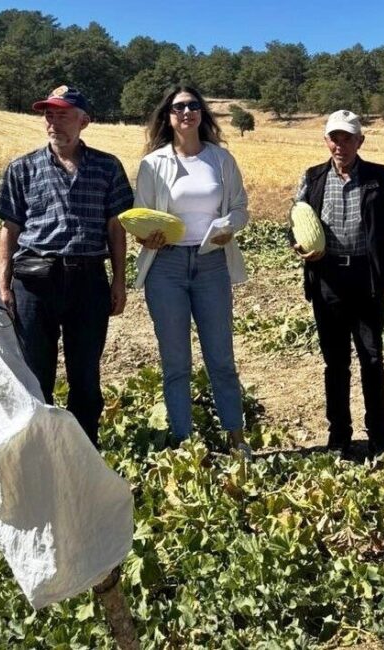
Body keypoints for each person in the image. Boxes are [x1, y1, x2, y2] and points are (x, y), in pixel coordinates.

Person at [0, 85, 133, 447]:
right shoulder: (21, 168)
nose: (54, 122)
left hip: (88, 282)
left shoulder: (107, 166)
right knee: (36, 375)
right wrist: (4, 285)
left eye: (63, 115)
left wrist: (119, 280)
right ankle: (41, 449)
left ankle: (84, 449)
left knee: (85, 375)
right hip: (34, 283)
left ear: (84, 121)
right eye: (48, 115)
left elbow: (116, 227)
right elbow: (9, 229)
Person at [133, 86, 249, 451]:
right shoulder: (153, 164)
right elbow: (140, 218)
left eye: (194, 105)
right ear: (167, 116)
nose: (187, 112)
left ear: (202, 113)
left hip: (211, 264)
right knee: (176, 361)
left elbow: (241, 209)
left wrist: (228, 226)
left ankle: (236, 437)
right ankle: (185, 442)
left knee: (221, 358)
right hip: (165, 268)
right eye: (179, 107)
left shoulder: (221, 160)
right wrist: (146, 238)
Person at [292, 110, 384, 458]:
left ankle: (379, 436)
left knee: (372, 359)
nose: (339, 144)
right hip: (327, 278)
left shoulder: (378, 176)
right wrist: (299, 247)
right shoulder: (312, 178)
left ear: (360, 141)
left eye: (347, 137)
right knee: (335, 363)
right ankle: (339, 438)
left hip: (368, 278)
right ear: (326, 140)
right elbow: (296, 223)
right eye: (334, 137)